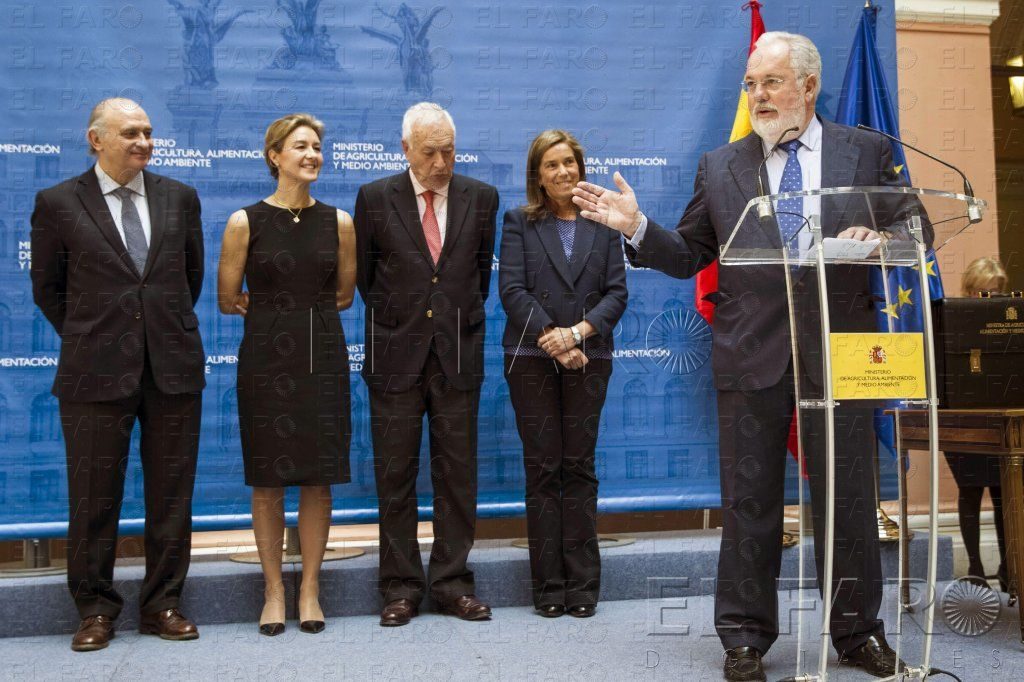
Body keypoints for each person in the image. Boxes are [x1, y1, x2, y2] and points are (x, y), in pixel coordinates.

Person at [572, 32, 932, 681]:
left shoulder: (866, 150)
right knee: (749, 503)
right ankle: (744, 638)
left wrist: (883, 236)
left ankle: (858, 633)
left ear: (809, 86)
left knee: (849, 500)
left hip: (843, 354)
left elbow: (918, 229)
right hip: (750, 351)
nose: (757, 96)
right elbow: (689, 253)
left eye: (770, 82)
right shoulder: (721, 165)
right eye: (750, 85)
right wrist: (636, 228)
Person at [30, 97, 205, 651]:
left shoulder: (181, 197)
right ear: (96, 139)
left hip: (172, 367)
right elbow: (48, 289)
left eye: (148, 132)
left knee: (171, 495)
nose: (144, 142)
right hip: (93, 371)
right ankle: (95, 610)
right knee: (93, 496)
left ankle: (163, 605)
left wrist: (155, 332)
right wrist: (94, 335)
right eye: (131, 133)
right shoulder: (58, 202)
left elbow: (190, 278)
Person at [354, 102, 499, 627]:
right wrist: (406, 320)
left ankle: (452, 584)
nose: (441, 163)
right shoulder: (374, 198)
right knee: (395, 476)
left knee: (457, 475)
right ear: (406, 150)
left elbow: (478, 277)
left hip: (457, 354)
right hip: (395, 355)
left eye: (449, 152)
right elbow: (367, 278)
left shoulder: (481, 198)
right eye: (430, 152)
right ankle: (400, 588)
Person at [217, 113, 355, 636]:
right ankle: (273, 589)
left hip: (322, 354)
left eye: (317, 146)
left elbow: (344, 295)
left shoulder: (340, 222)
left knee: (318, 477)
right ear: (274, 156)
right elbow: (228, 298)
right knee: (268, 478)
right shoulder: (243, 221)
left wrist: (301, 316)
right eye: (301, 146)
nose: (312, 155)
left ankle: (310, 588)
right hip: (264, 359)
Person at [499, 130, 627, 618]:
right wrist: (552, 339)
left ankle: (583, 588)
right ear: (538, 175)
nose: (563, 172)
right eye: (551, 164)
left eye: (569, 162)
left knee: (579, 466)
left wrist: (575, 336)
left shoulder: (603, 221)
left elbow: (617, 293)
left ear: (581, 167)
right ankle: (549, 588)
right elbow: (512, 290)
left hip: (589, 358)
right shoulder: (519, 222)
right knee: (543, 467)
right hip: (531, 359)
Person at [944, 257, 1009, 590]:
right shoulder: (952, 318)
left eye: (997, 293)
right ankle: (975, 568)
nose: (991, 299)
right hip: (963, 419)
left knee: (1003, 494)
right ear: (970, 290)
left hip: (1000, 419)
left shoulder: (1011, 322)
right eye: (985, 292)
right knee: (970, 490)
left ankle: (1009, 568)